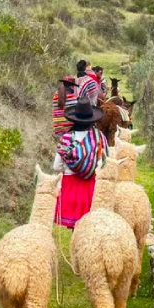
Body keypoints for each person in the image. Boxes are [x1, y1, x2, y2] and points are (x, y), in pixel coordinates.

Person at [53, 97, 109, 228]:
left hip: (69, 188)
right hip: (91, 188)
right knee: (87, 229)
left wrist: (70, 167)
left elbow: (56, 166)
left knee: (75, 228)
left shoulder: (66, 139)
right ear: (92, 119)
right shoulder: (99, 137)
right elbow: (106, 162)